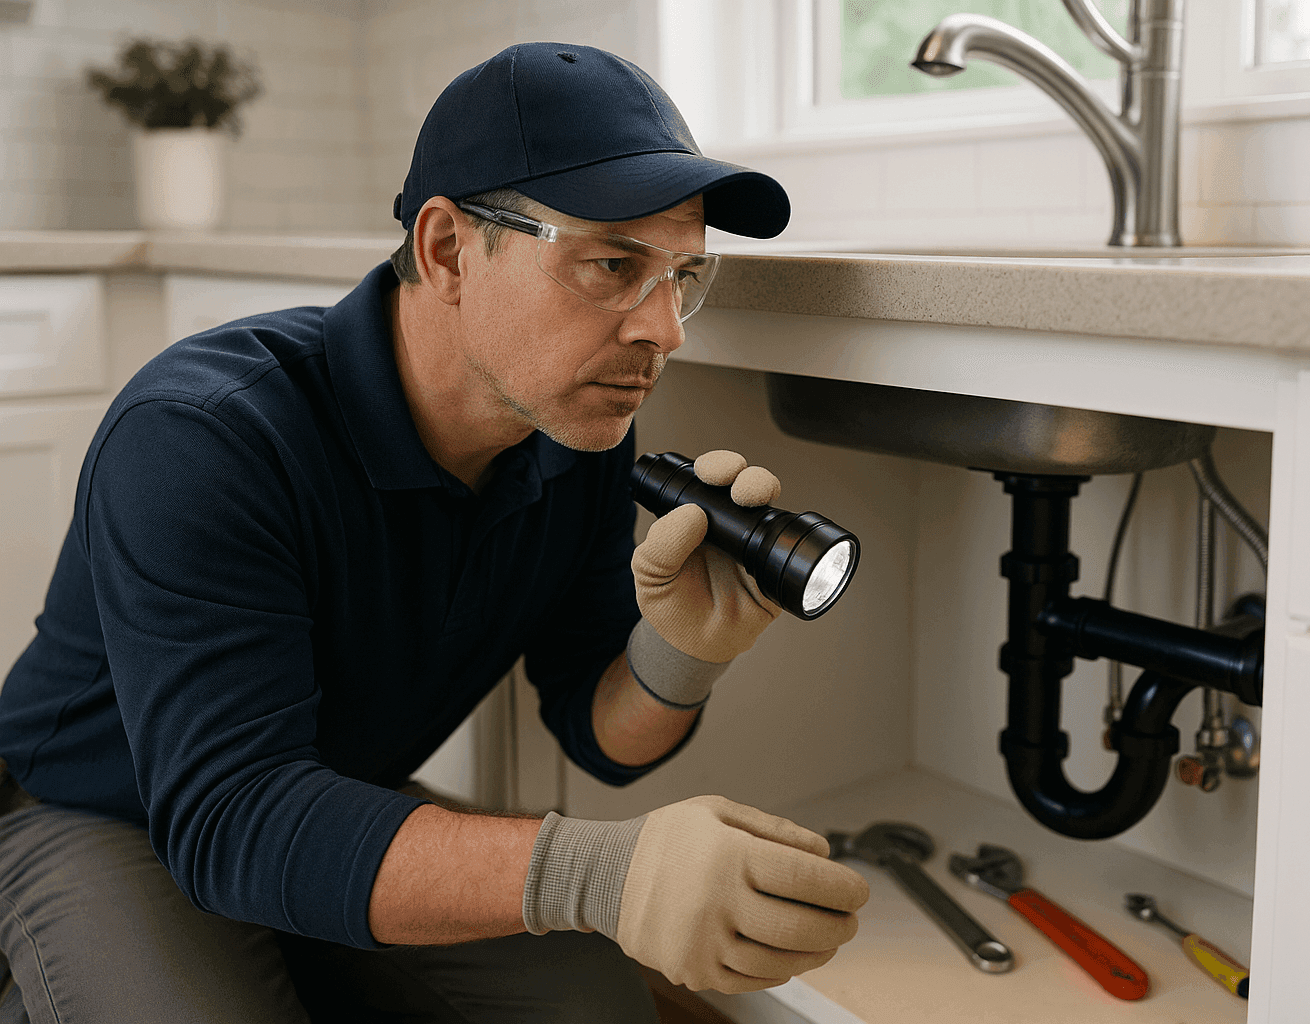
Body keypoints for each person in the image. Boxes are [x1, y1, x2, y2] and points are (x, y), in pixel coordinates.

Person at [0, 42, 869, 1023]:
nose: (664, 330)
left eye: (682, 276)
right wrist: (608, 872)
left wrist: (684, 649)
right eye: (615, 265)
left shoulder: (570, 440)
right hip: (107, 811)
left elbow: (597, 729)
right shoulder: (206, 437)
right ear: (448, 248)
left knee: (595, 1005)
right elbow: (229, 821)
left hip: (325, 790)